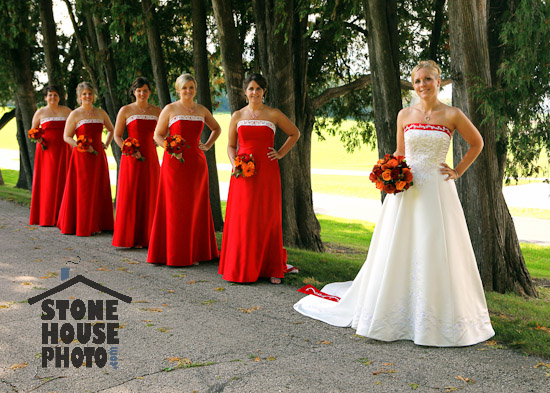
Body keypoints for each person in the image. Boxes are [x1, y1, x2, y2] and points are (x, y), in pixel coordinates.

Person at [294, 60, 495, 346]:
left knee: (435, 246)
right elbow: (400, 153)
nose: (422, 85)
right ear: (413, 85)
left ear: (438, 82)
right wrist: (391, 174)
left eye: (427, 79)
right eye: (417, 81)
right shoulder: (405, 114)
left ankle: (434, 317)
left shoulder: (452, 114)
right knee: (398, 246)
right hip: (407, 190)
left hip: (437, 191)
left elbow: (477, 143)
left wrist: (458, 170)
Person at [218, 74, 300, 284]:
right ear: (245, 92)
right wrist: (234, 161)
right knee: (243, 218)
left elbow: (294, 133)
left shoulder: (273, 114)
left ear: (264, 91)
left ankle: (270, 267)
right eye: (251, 88)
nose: (254, 92)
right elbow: (230, 145)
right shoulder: (237, 115)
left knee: (266, 217)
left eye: (258, 88)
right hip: (242, 174)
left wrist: (280, 154)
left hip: (266, 172)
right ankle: (239, 266)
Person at [147, 74, 221, 266]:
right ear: (178, 90)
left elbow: (217, 128)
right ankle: (174, 253)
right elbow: (157, 135)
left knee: (194, 206)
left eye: (191, 87)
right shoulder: (170, 109)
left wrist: (208, 145)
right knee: (174, 207)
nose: (188, 91)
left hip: (196, 164)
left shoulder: (201, 110)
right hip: (174, 164)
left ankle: (195, 252)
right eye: (184, 88)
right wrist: (171, 149)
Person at [56, 82, 115, 236]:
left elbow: (111, 129)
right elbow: (66, 137)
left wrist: (105, 144)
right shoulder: (75, 114)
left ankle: (99, 222)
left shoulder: (101, 113)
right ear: (79, 97)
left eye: (90, 93)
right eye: (84, 94)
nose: (87, 96)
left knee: (98, 186)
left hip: (98, 156)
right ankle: (82, 224)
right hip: (81, 157)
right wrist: (80, 146)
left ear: (93, 95)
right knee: (83, 189)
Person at [112, 77, 161, 248]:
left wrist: (158, 141)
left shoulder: (157, 111)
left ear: (149, 92)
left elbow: (165, 131)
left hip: (150, 157)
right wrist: (129, 149)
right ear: (134, 92)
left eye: (145, 90)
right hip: (131, 157)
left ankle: (149, 237)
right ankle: (128, 238)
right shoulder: (125, 110)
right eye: (139, 90)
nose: (142, 93)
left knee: (151, 192)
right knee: (131, 193)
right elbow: (117, 136)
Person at [29, 85, 72, 226]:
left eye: (55, 95)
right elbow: (33, 130)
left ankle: (63, 215)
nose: (53, 97)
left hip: (64, 149)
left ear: (60, 97)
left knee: (64, 179)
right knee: (48, 181)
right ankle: (46, 216)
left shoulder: (67, 111)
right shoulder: (40, 112)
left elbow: (75, 126)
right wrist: (37, 138)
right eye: (50, 95)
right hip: (46, 151)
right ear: (45, 97)